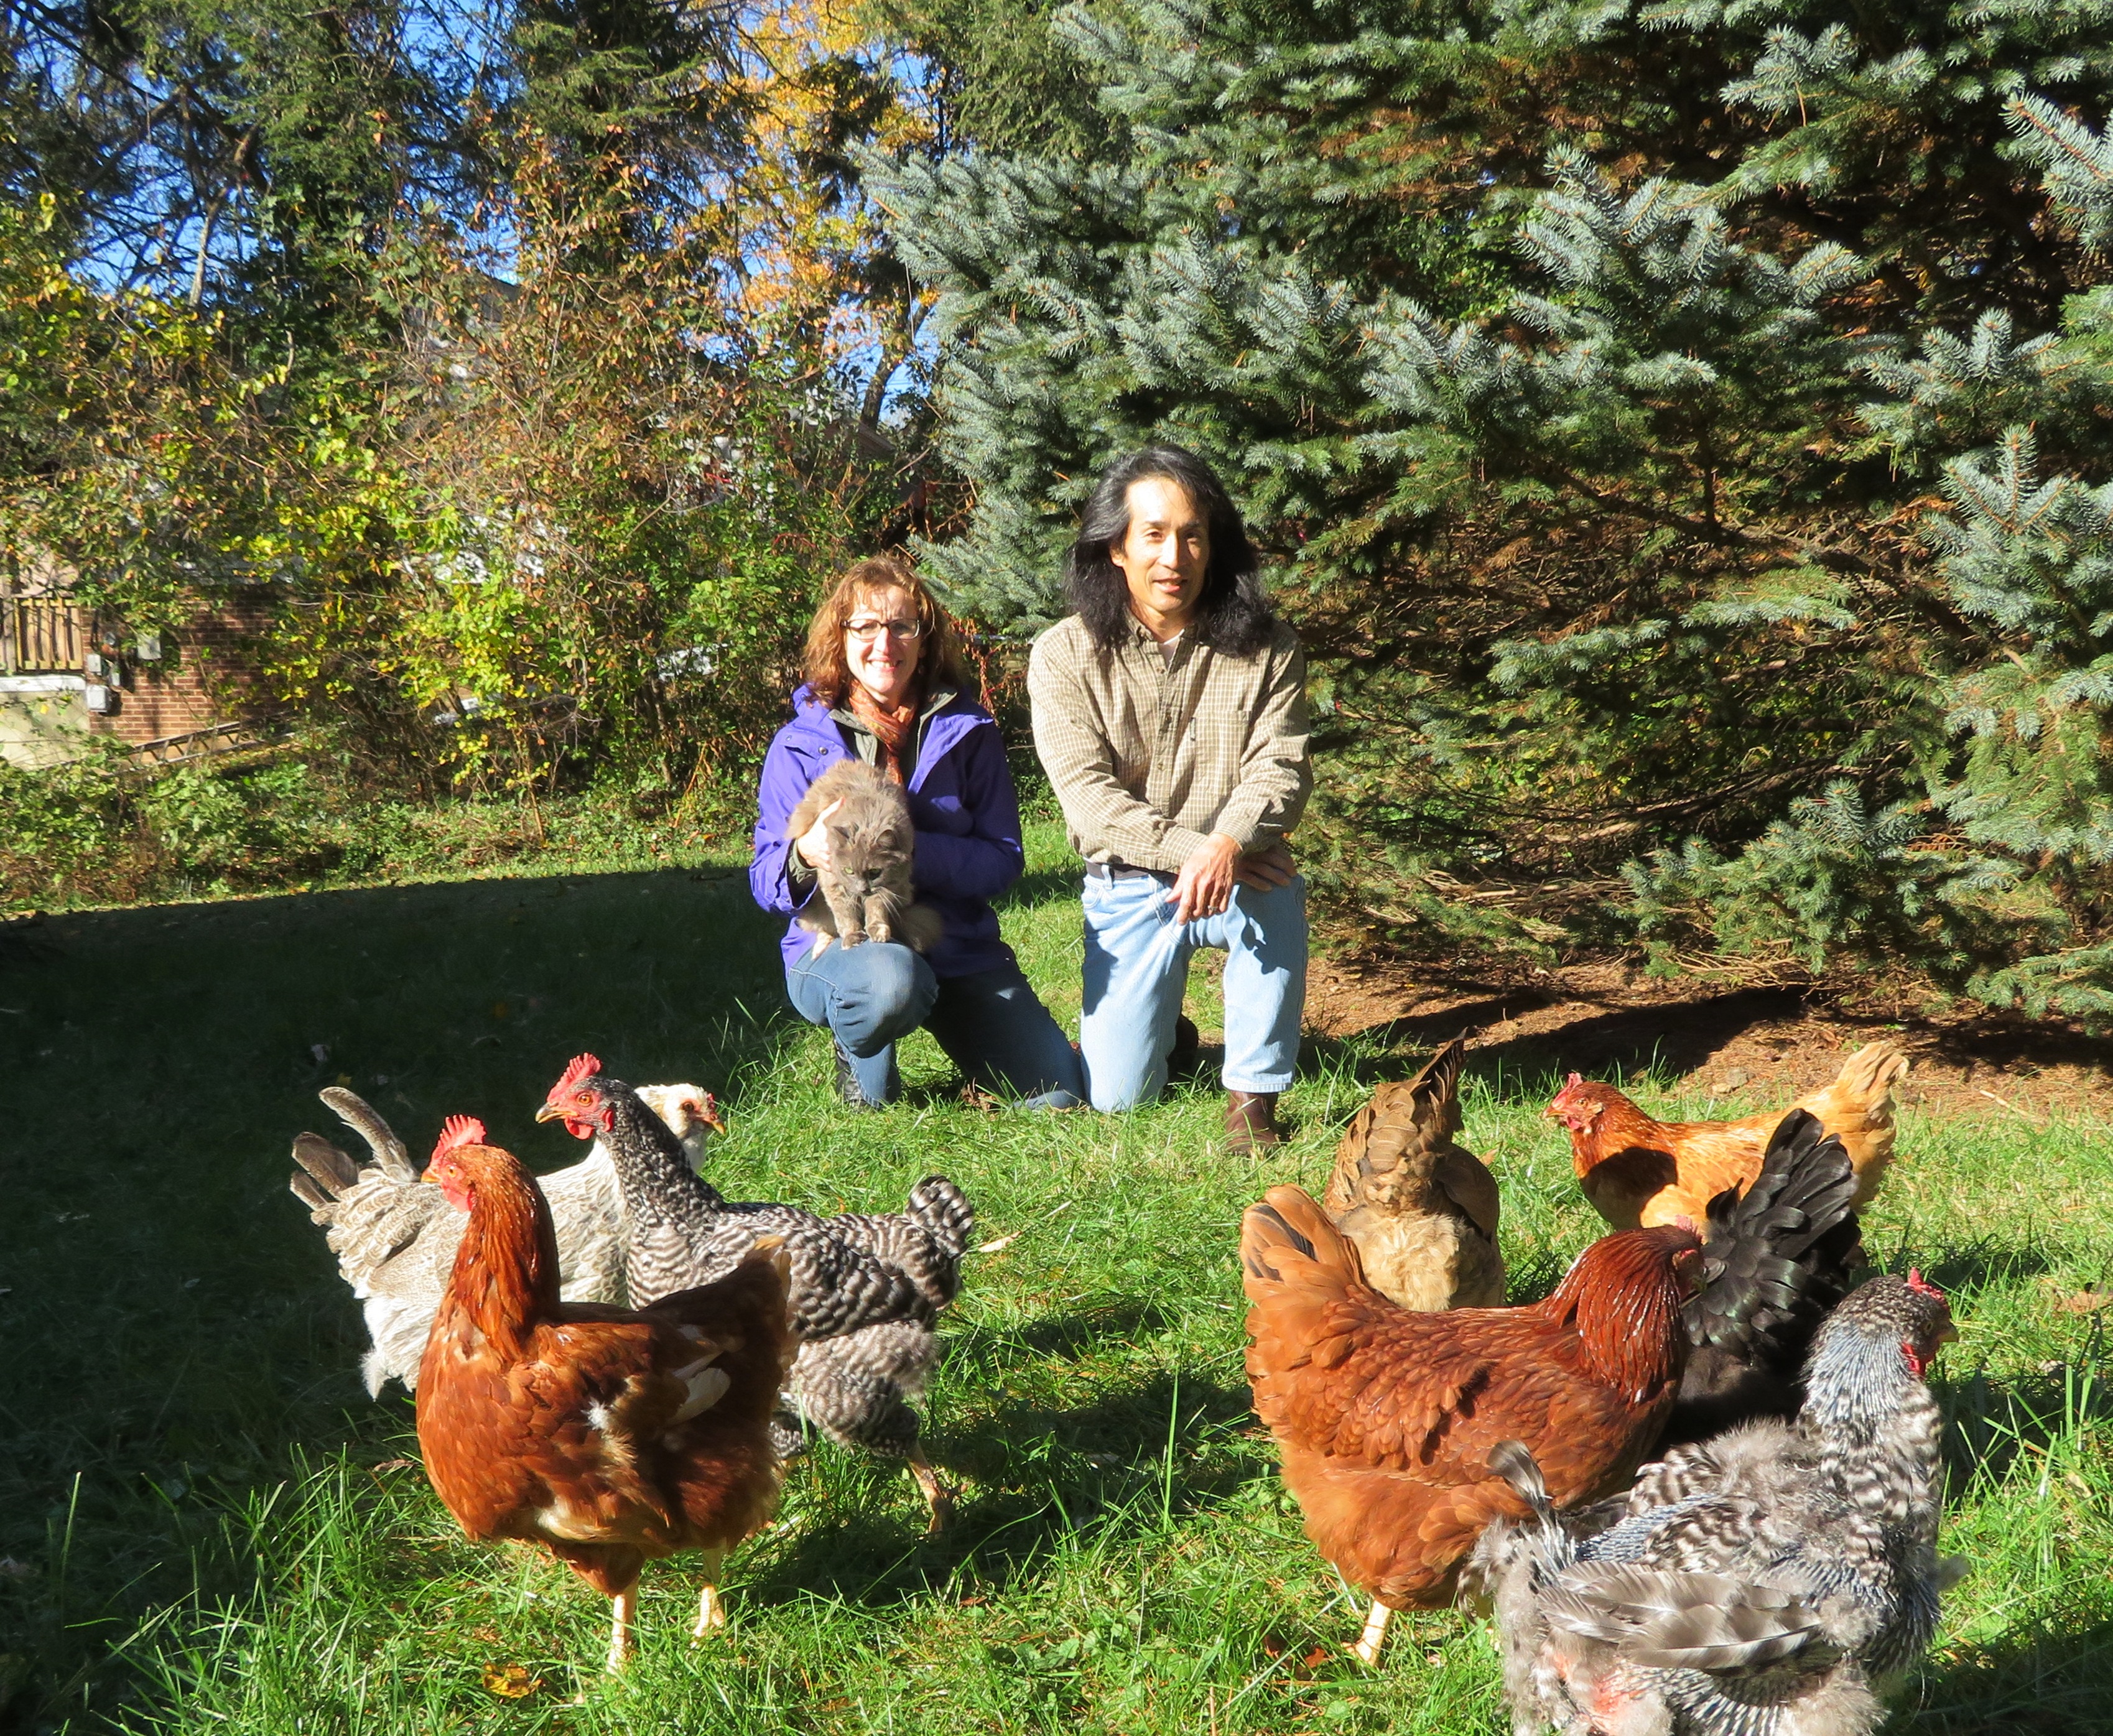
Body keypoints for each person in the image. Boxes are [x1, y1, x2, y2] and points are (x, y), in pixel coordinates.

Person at [1028, 445, 1311, 1150]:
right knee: (1119, 1099)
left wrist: (1228, 845)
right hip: (1129, 887)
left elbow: (1281, 767)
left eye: (1192, 534)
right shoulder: (1062, 655)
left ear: (1214, 547)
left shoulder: (1270, 646)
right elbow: (1090, 801)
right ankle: (1170, 1034)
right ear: (1116, 548)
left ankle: (1253, 1100)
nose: (1173, 555)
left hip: (1240, 873)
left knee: (1276, 887)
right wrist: (1203, 852)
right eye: (1152, 534)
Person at [751, 555, 1086, 1110]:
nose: (884, 643)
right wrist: (805, 854)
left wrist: (905, 853)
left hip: (956, 945)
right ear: (841, 637)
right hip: (842, 941)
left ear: (924, 638)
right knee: (890, 981)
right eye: (866, 626)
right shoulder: (798, 742)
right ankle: (858, 1029)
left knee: (1054, 1096)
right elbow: (764, 882)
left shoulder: (969, 730)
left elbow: (1002, 860)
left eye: (902, 625)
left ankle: (961, 1028)